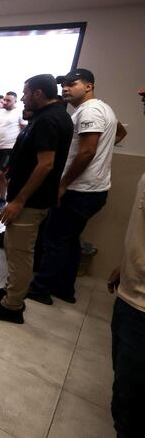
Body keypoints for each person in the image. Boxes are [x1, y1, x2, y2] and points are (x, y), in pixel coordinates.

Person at [0, 74, 73, 324]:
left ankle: (12, 306)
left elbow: (45, 165)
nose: (23, 98)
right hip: (32, 198)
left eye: (26, 93)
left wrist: (19, 200)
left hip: (31, 202)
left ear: (39, 94)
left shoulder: (49, 120)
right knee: (13, 247)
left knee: (20, 252)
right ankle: (11, 291)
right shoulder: (51, 115)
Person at [28, 69, 127, 305]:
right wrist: (105, 150)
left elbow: (87, 151)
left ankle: (41, 288)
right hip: (93, 189)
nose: (65, 89)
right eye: (63, 85)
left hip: (80, 190)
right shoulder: (104, 108)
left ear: (89, 86)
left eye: (72, 84)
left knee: (54, 239)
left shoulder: (90, 110)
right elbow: (121, 132)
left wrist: (63, 184)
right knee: (69, 239)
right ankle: (64, 289)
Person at [106, 84, 145, 438]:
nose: (141, 91)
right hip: (131, 293)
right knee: (124, 391)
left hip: (142, 309)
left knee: (130, 404)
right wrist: (125, 263)